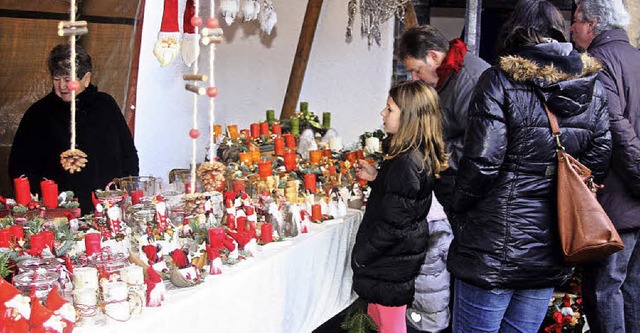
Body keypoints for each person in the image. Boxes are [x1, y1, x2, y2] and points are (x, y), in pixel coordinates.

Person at [447, 0, 612, 331]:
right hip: (550, 244)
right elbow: (600, 155)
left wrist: (458, 206)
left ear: (515, 32)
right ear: (559, 32)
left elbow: (482, 162)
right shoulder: (592, 86)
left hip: (492, 243)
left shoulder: (499, 80)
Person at [397, 25, 489, 332]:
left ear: (435, 57)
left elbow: (481, 145)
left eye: (416, 70)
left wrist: (433, 153)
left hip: (467, 195)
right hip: (450, 187)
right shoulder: (448, 76)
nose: (414, 78)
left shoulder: (472, 79)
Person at [351, 80, 449, 333]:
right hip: (394, 260)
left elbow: (394, 224)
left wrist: (363, 254)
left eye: (390, 109)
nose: (383, 113)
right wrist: (377, 178)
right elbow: (402, 200)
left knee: (390, 325)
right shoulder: (413, 155)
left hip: (390, 262)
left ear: (410, 118)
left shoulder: (406, 162)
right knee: (380, 319)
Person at [570, 1, 640, 332]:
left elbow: (615, 127)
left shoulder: (598, 62)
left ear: (593, 24)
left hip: (616, 202)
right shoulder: (635, 58)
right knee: (631, 291)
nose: (571, 29)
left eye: (575, 22)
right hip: (631, 203)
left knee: (605, 291)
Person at [9, 43, 139, 214]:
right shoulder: (38, 114)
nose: (62, 86)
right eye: (56, 79)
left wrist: (124, 194)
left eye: (68, 79)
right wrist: (41, 203)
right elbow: (19, 166)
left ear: (86, 78)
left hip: (106, 209)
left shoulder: (105, 106)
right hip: (57, 214)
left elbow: (128, 154)